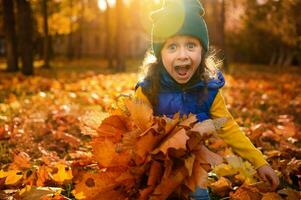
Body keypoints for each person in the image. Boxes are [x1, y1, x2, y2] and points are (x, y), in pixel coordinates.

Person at [134, 0, 279, 199]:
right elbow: (134, 133)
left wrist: (259, 161)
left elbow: (228, 127)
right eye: (172, 47)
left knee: (199, 195)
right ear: (160, 54)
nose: (183, 55)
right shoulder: (148, 90)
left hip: (193, 163)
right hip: (156, 165)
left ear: (202, 51)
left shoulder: (209, 90)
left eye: (191, 45)